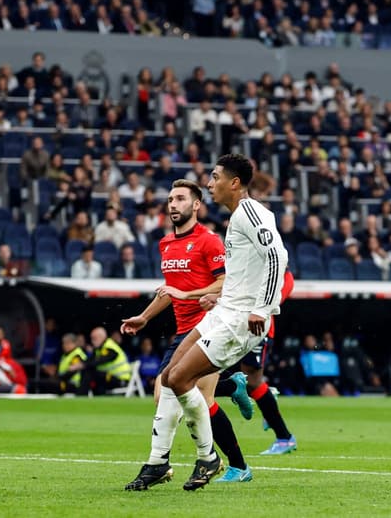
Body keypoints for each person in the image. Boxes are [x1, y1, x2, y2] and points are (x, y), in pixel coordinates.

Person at [123, 154, 287, 491]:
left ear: (235, 183)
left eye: (214, 178)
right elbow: (242, 273)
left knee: (182, 379)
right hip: (223, 311)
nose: (210, 183)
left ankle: (209, 457)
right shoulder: (235, 218)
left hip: (240, 320)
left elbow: (277, 256)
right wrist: (218, 297)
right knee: (169, 378)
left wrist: (263, 307)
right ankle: (157, 462)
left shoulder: (251, 212)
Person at [211, 269, 297, 454]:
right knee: (229, 375)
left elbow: (280, 287)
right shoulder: (242, 258)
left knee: (251, 381)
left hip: (257, 328)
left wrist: (263, 303)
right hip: (232, 323)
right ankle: (264, 399)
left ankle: (283, 436)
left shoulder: (276, 266)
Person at [66, 327, 131, 395]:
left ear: (102, 337)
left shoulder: (110, 347)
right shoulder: (99, 349)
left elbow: (99, 361)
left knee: (90, 372)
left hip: (120, 380)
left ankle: (81, 396)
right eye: (91, 338)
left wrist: (81, 365)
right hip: (109, 378)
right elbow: (90, 361)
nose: (92, 341)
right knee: (87, 370)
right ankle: (85, 395)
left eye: (94, 338)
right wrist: (80, 365)